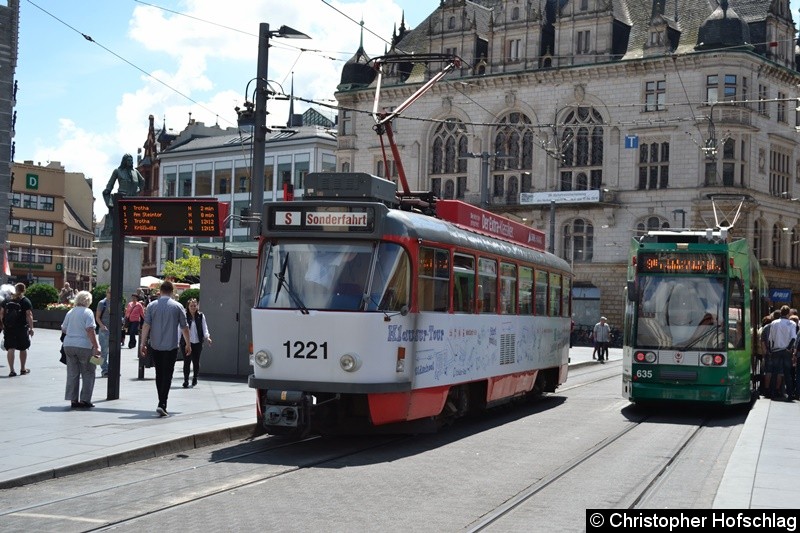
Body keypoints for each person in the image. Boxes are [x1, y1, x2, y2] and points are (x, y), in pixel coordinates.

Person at [139, 281, 191, 417]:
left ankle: (161, 401)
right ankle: (163, 403)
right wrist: (188, 344)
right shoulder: (178, 306)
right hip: (171, 345)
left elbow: (146, 325)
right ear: (172, 291)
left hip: (155, 345)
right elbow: (184, 327)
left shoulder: (151, 306)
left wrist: (142, 343)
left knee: (159, 373)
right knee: (168, 374)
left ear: (160, 291)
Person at [61, 291, 101, 409]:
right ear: (88, 301)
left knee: (72, 373)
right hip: (84, 345)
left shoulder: (70, 312)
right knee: (88, 372)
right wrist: (96, 346)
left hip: (68, 345)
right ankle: (85, 399)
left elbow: (64, 329)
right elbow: (90, 330)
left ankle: (73, 399)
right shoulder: (87, 312)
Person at [100, 153, 145, 239]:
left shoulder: (135, 172)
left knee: (132, 220)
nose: (131, 162)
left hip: (133, 199)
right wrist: (107, 191)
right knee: (120, 220)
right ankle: (115, 232)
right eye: (128, 160)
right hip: (121, 198)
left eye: (131, 160)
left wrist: (139, 189)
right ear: (124, 161)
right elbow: (110, 184)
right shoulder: (118, 171)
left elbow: (142, 181)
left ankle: (130, 233)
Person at [0, 282, 35, 377]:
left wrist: (3, 324)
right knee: (23, 348)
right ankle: (23, 369)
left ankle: (12, 370)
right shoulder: (25, 300)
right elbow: (29, 315)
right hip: (21, 328)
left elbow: (2, 313)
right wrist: (31, 328)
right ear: (24, 290)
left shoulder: (7, 300)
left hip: (9, 328)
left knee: (11, 348)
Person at [181, 298, 212, 388]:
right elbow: (180, 329)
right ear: (188, 307)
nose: (193, 307)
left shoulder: (201, 316)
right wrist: (177, 341)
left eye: (195, 305)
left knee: (196, 361)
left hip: (197, 342)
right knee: (186, 361)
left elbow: (204, 328)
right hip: (186, 342)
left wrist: (207, 337)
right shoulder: (184, 316)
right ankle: (186, 380)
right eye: (191, 306)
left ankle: (195, 377)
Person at [768, 305, 796, 401]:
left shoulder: (774, 323)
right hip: (786, 351)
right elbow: (793, 337)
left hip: (776, 350)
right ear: (788, 313)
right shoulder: (792, 323)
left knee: (775, 372)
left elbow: (770, 338)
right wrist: (788, 348)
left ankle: (772, 393)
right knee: (787, 373)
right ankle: (790, 394)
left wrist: (771, 349)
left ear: (781, 312)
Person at [95, 288, 111, 377]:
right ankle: (104, 370)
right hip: (104, 330)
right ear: (106, 293)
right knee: (104, 351)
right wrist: (101, 325)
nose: (111, 294)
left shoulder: (115, 302)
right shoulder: (102, 303)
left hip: (113, 330)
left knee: (112, 351)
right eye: (110, 292)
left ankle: (110, 368)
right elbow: (97, 317)